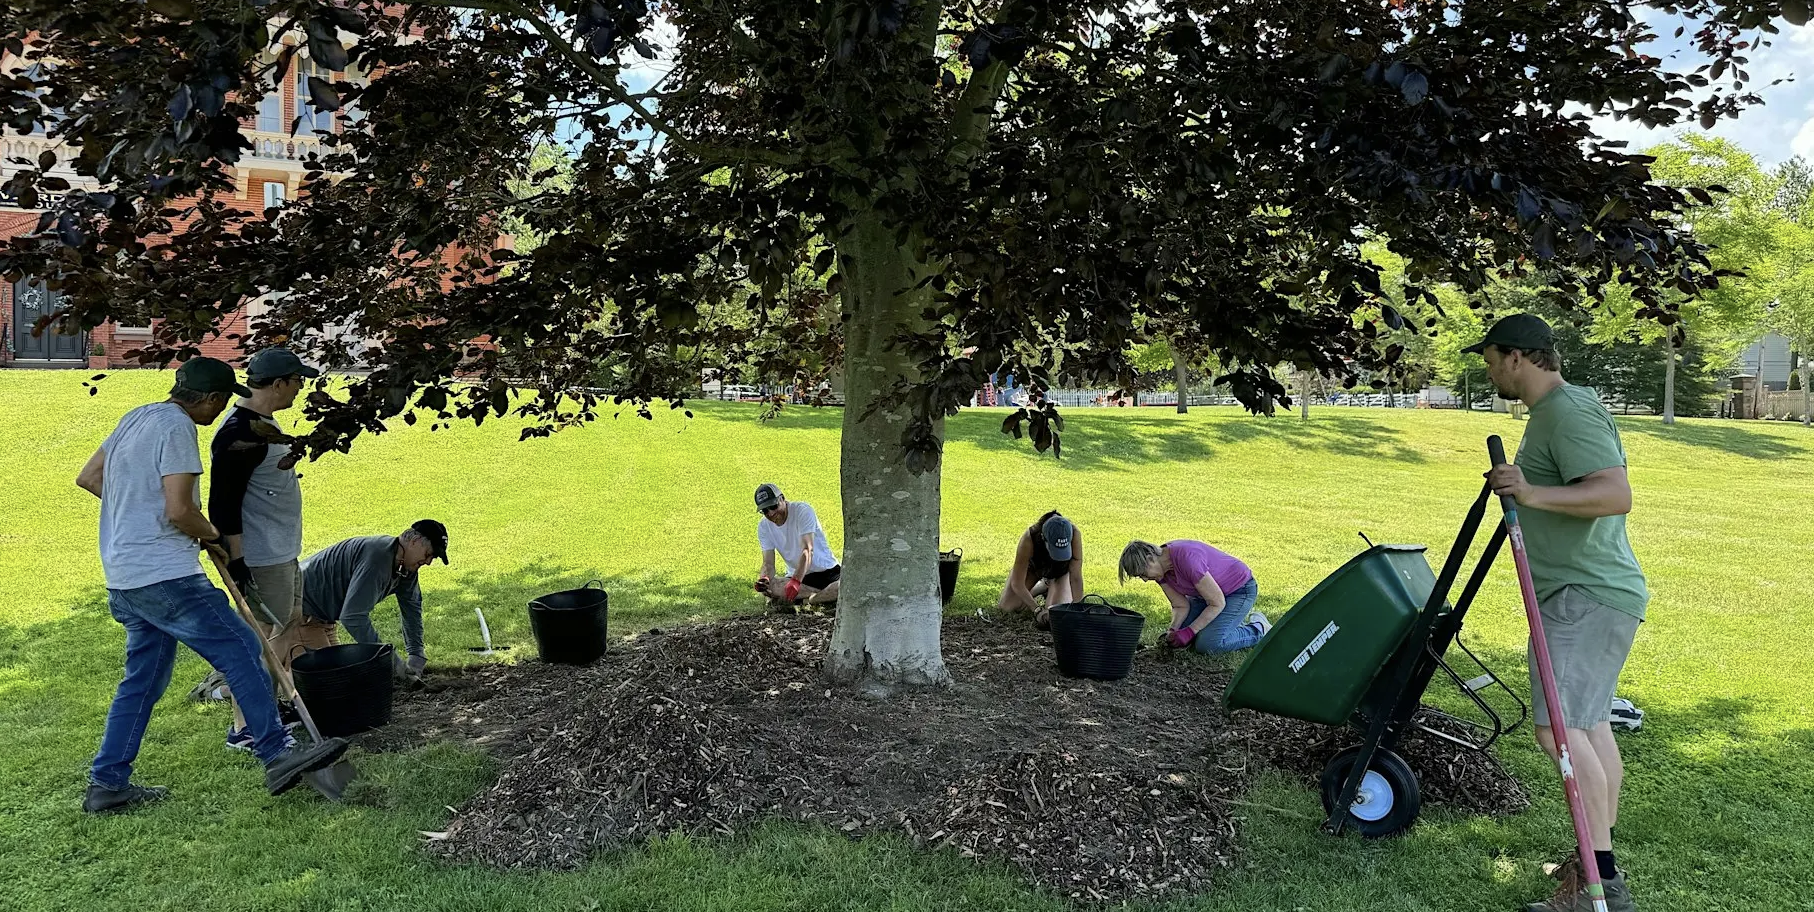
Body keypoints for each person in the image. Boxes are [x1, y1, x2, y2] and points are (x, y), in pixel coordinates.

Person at [73, 357, 349, 813]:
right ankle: (276, 753)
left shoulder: (136, 417)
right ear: (213, 399)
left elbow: (90, 478)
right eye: (220, 402)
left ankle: (107, 784)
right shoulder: (178, 429)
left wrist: (148, 518)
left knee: (142, 681)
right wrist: (209, 534)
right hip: (166, 577)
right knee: (242, 648)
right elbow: (180, 510)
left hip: (125, 579)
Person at [1468, 314, 1646, 912]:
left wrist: (1530, 493)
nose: (1488, 369)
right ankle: (1593, 862)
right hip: (1586, 592)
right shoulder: (1554, 412)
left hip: (1585, 593)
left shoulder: (1568, 411)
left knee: (1558, 730)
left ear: (1517, 357)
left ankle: (1601, 888)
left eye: (1490, 358)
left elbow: (1613, 494)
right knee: (1590, 726)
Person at [208, 347, 321, 751]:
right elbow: (222, 504)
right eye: (297, 381)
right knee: (261, 640)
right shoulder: (239, 434)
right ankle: (247, 726)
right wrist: (236, 560)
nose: (300, 388)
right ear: (278, 384)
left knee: (287, 623)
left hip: (282, 549)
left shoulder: (262, 425)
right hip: (259, 556)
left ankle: (266, 710)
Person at [299, 521, 448, 681]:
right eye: (428, 554)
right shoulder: (378, 559)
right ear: (414, 542)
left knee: (342, 678)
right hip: (299, 611)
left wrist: (416, 653)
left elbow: (412, 608)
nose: (428, 562)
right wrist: (391, 660)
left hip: (324, 619)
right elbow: (353, 617)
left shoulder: (405, 566)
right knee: (328, 683)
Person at [1118, 539, 1270, 655]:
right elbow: (1180, 605)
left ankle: (1258, 629)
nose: (1145, 580)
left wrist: (1190, 631)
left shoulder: (1187, 559)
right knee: (1185, 639)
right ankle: (1229, 622)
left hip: (1238, 591)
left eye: (1143, 574)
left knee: (1207, 644)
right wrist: (1173, 629)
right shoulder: (1160, 571)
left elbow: (1216, 603)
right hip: (1205, 596)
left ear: (1150, 558)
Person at [753, 484, 840, 608]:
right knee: (772, 586)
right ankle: (822, 598)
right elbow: (768, 564)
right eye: (765, 511)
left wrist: (796, 581)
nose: (771, 513)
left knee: (846, 585)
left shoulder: (802, 511)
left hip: (827, 572)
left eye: (773, 506)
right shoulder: (764, 527)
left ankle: (809, 600)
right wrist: (764, 579)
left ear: (782, 498)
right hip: (799, 578)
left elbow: (807, 550)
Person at [996, 511, 1083, 628]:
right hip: (1034, 568)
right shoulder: (1029, 538)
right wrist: (1037, 610)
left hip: (1060, 573)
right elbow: (1017, 583)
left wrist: (1077, 608)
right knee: (1007, 607)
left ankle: (1051, 587)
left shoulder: (1075, 534)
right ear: (1043, 538)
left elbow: (1076, 576)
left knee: (1056, 613)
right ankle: (1042, 587)